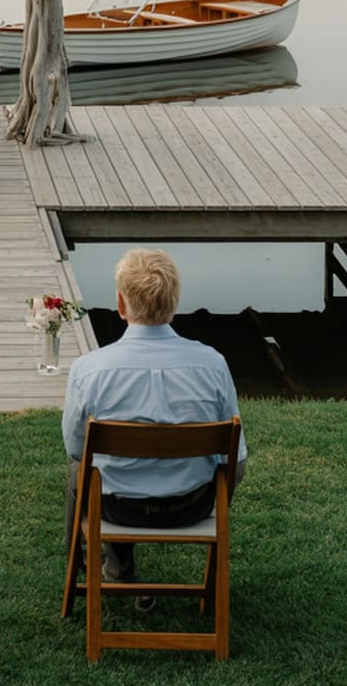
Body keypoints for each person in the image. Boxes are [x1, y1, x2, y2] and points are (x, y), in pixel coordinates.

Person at [62, 247, 248, 586]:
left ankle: (91, 564)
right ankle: (122, 570)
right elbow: (238, 457)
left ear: (121, 304)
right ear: (175, 303)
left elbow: (75, 447)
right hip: (192, 505)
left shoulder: (89, 369)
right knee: (230, 464)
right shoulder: (213, 364)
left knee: (81, 468)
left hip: (117, 507)